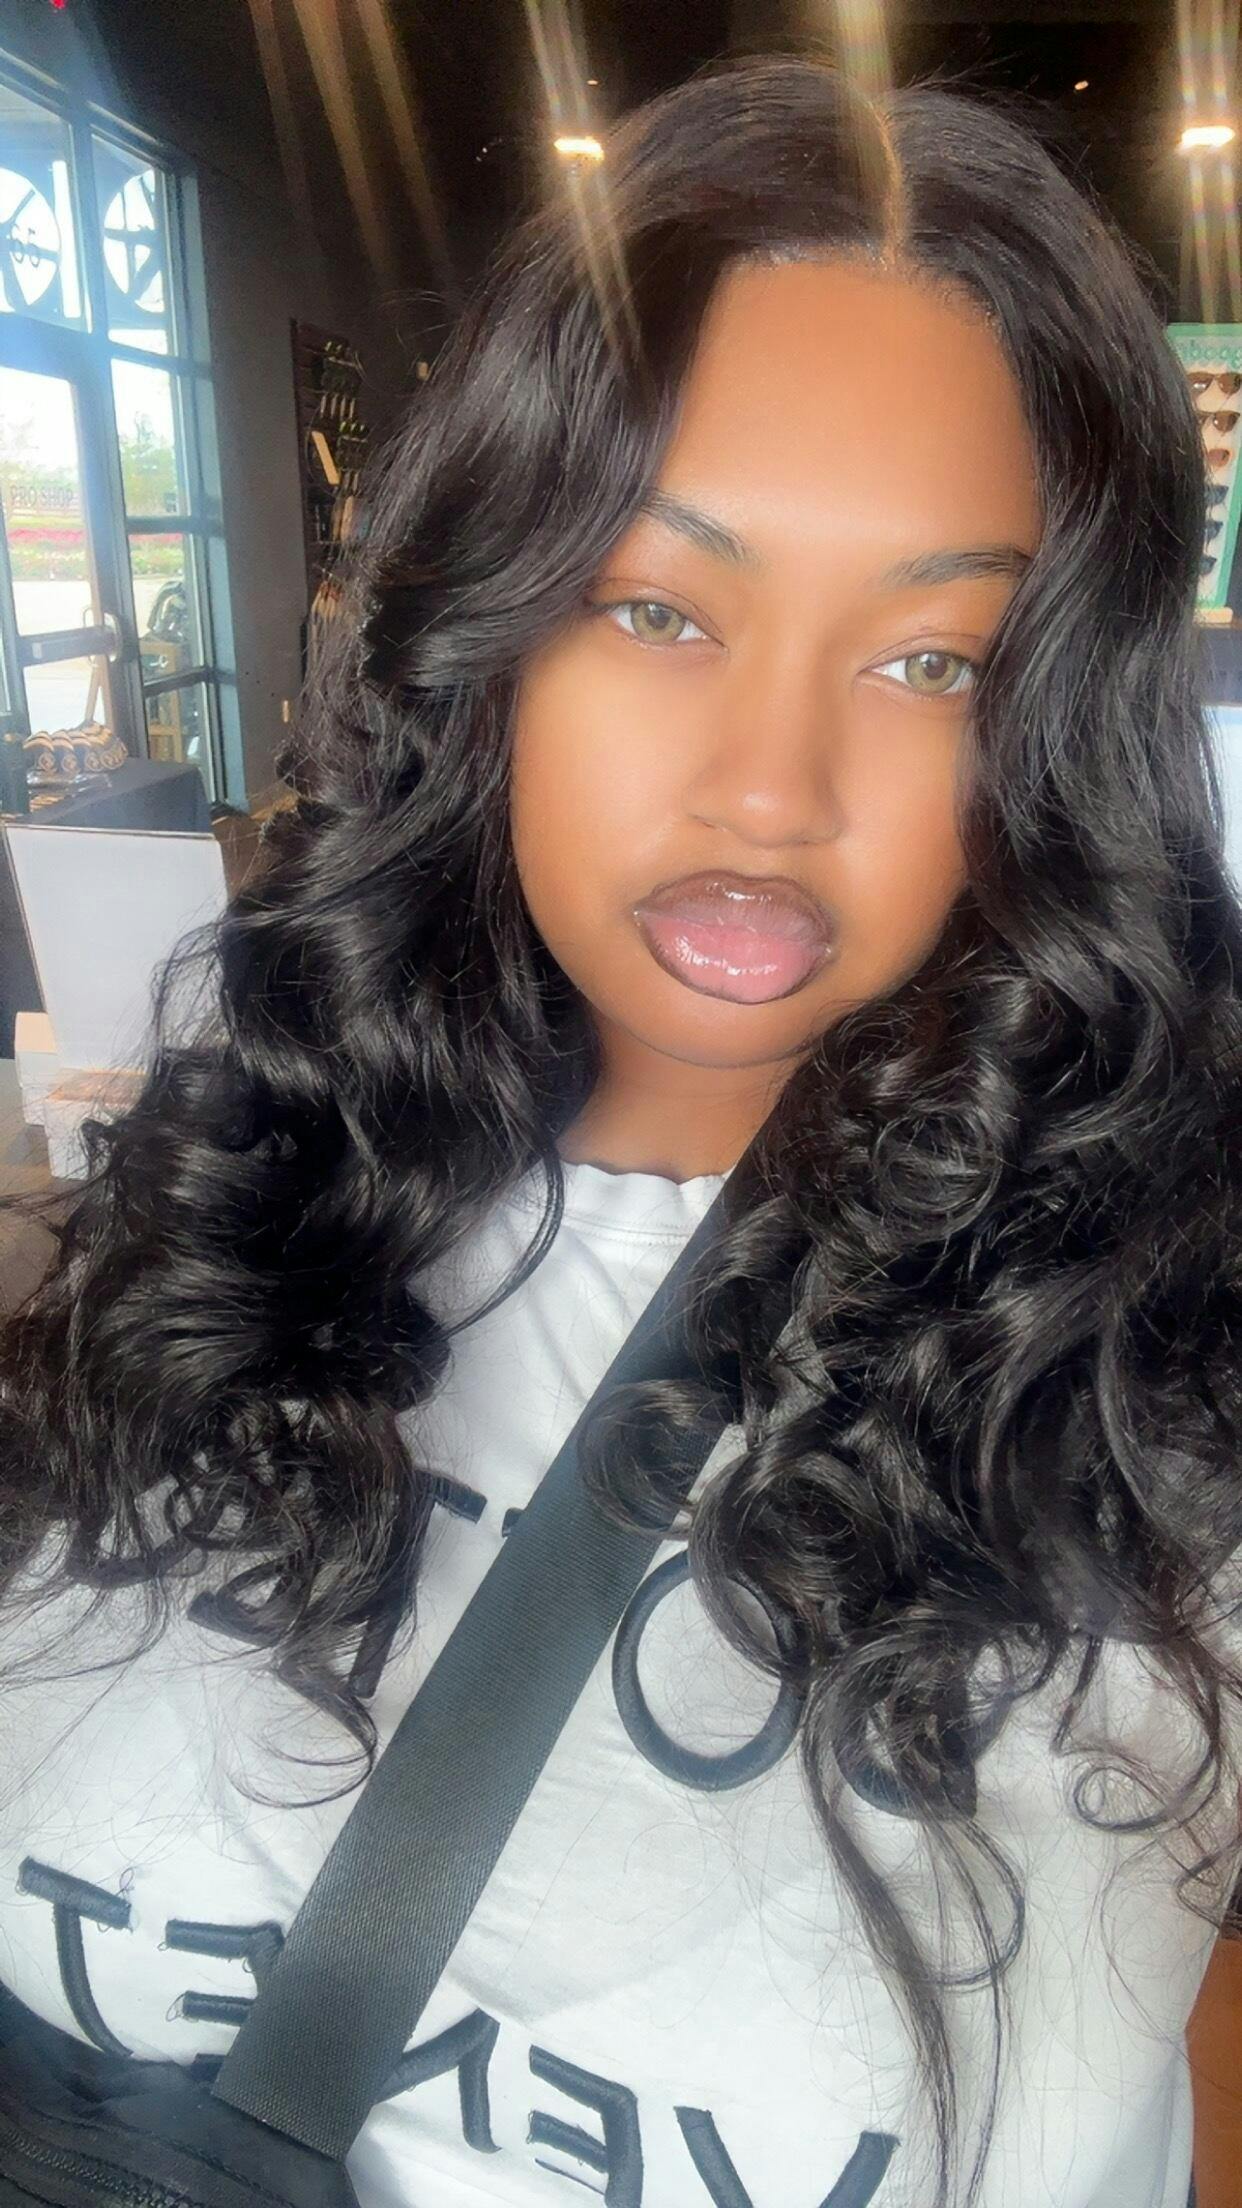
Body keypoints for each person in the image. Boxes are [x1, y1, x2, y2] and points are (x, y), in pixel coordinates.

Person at [0, 52, 1239, 2208]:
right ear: (486, 639)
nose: (770, 785)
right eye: (658, 610)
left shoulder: (1161, 1392)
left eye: (934, 661)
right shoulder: (223, 1217)